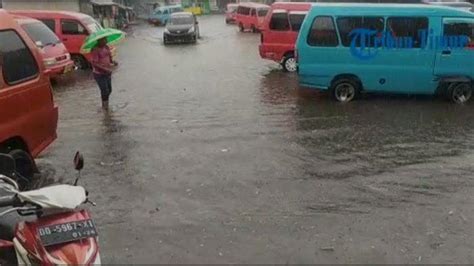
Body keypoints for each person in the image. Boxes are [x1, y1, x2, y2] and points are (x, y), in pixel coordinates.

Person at [91, 37, 117, 111]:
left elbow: (109, 56)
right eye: (104, 40)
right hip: (99, 74)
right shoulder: (95, 50)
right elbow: (95, 63)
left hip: (107, 73)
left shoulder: (106, 47)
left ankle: (105, 103)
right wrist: (105, 69)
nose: (106, 41)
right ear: (99, 41)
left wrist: (113, 61)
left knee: (109, 90)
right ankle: (105, 107)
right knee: (104, 90)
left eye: (106, 39)